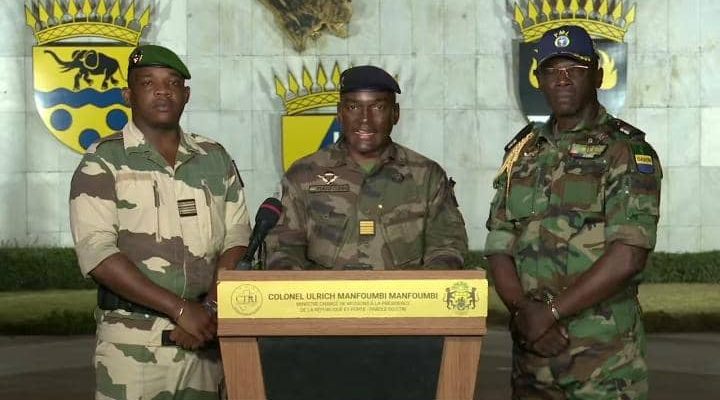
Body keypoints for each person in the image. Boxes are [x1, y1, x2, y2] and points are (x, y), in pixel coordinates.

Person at [484, 25, 661, 399]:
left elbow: (628, 255)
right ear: (539, 79)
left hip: (603, 365)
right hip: (533, 362)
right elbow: (499, 245)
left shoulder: (625, 151)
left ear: (598, 75)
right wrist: (523, 313)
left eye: (575, 69)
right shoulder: (522, 154)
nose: (562, 79)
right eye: (552, 70)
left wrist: (548, 314)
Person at [69, 44, 252, 399]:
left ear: (186, 95)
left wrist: (208, 309)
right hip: (133, 349)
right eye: (148, 83)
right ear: (128, 95)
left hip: (206, 341)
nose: (162, 91)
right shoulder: (103, 161)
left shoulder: (214, 158)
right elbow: (98, 253)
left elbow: (238, 237)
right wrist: (180, 310)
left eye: (172, 83)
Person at [266, 65, 468, 270]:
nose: (365, 120)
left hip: (404, 291)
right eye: (353, 107)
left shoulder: (426, 176)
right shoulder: (303, 175)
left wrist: (426, 286)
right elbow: (282, 249)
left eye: (378, 107)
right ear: (340, 113)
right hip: (325, 291)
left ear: (395, 114)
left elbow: (447, 247)